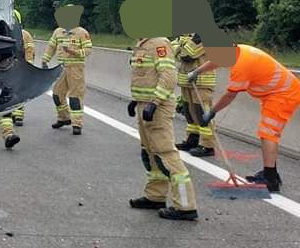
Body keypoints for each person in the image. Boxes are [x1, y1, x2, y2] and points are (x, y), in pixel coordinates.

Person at [192, 45, 300, 193]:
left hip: (284, 95)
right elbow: (216, 61)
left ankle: (271, 180)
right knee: (266, 133)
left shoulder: (241, 66)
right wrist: (197, 71)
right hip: (276, 93)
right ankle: (271, 173)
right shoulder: (237, 51)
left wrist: (212, 112)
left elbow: (229, 95)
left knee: (268, 133)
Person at [127, 36, 198, 221]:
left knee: (165, 154)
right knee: (149, 154)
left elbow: (168, 76)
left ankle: (185, 206)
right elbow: (146, 76)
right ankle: (155, 195)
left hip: (157, 106)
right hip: (145, 104)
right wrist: (136, 101)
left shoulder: (159, 43)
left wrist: (155, 102)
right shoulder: (142, 43)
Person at [42, 5, 92, 135]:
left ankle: (77, 124)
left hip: (76, 69)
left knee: (75, 97)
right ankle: (64, 118)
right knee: (57, 95)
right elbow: (51, 46)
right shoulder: (58, 32)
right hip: (61, 67)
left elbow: (88, 50)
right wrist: (45, 60)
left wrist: (73, 51)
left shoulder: (82, 32)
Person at [172, 34, 217, 157]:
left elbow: (188, 55)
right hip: (186, 80)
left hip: (201, 81)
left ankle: (208, 145)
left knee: (201, 112)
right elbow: (172, 49)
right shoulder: (185, 36)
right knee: (189, 112)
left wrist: (181, 47)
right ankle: (192, 140)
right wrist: (182, 47)